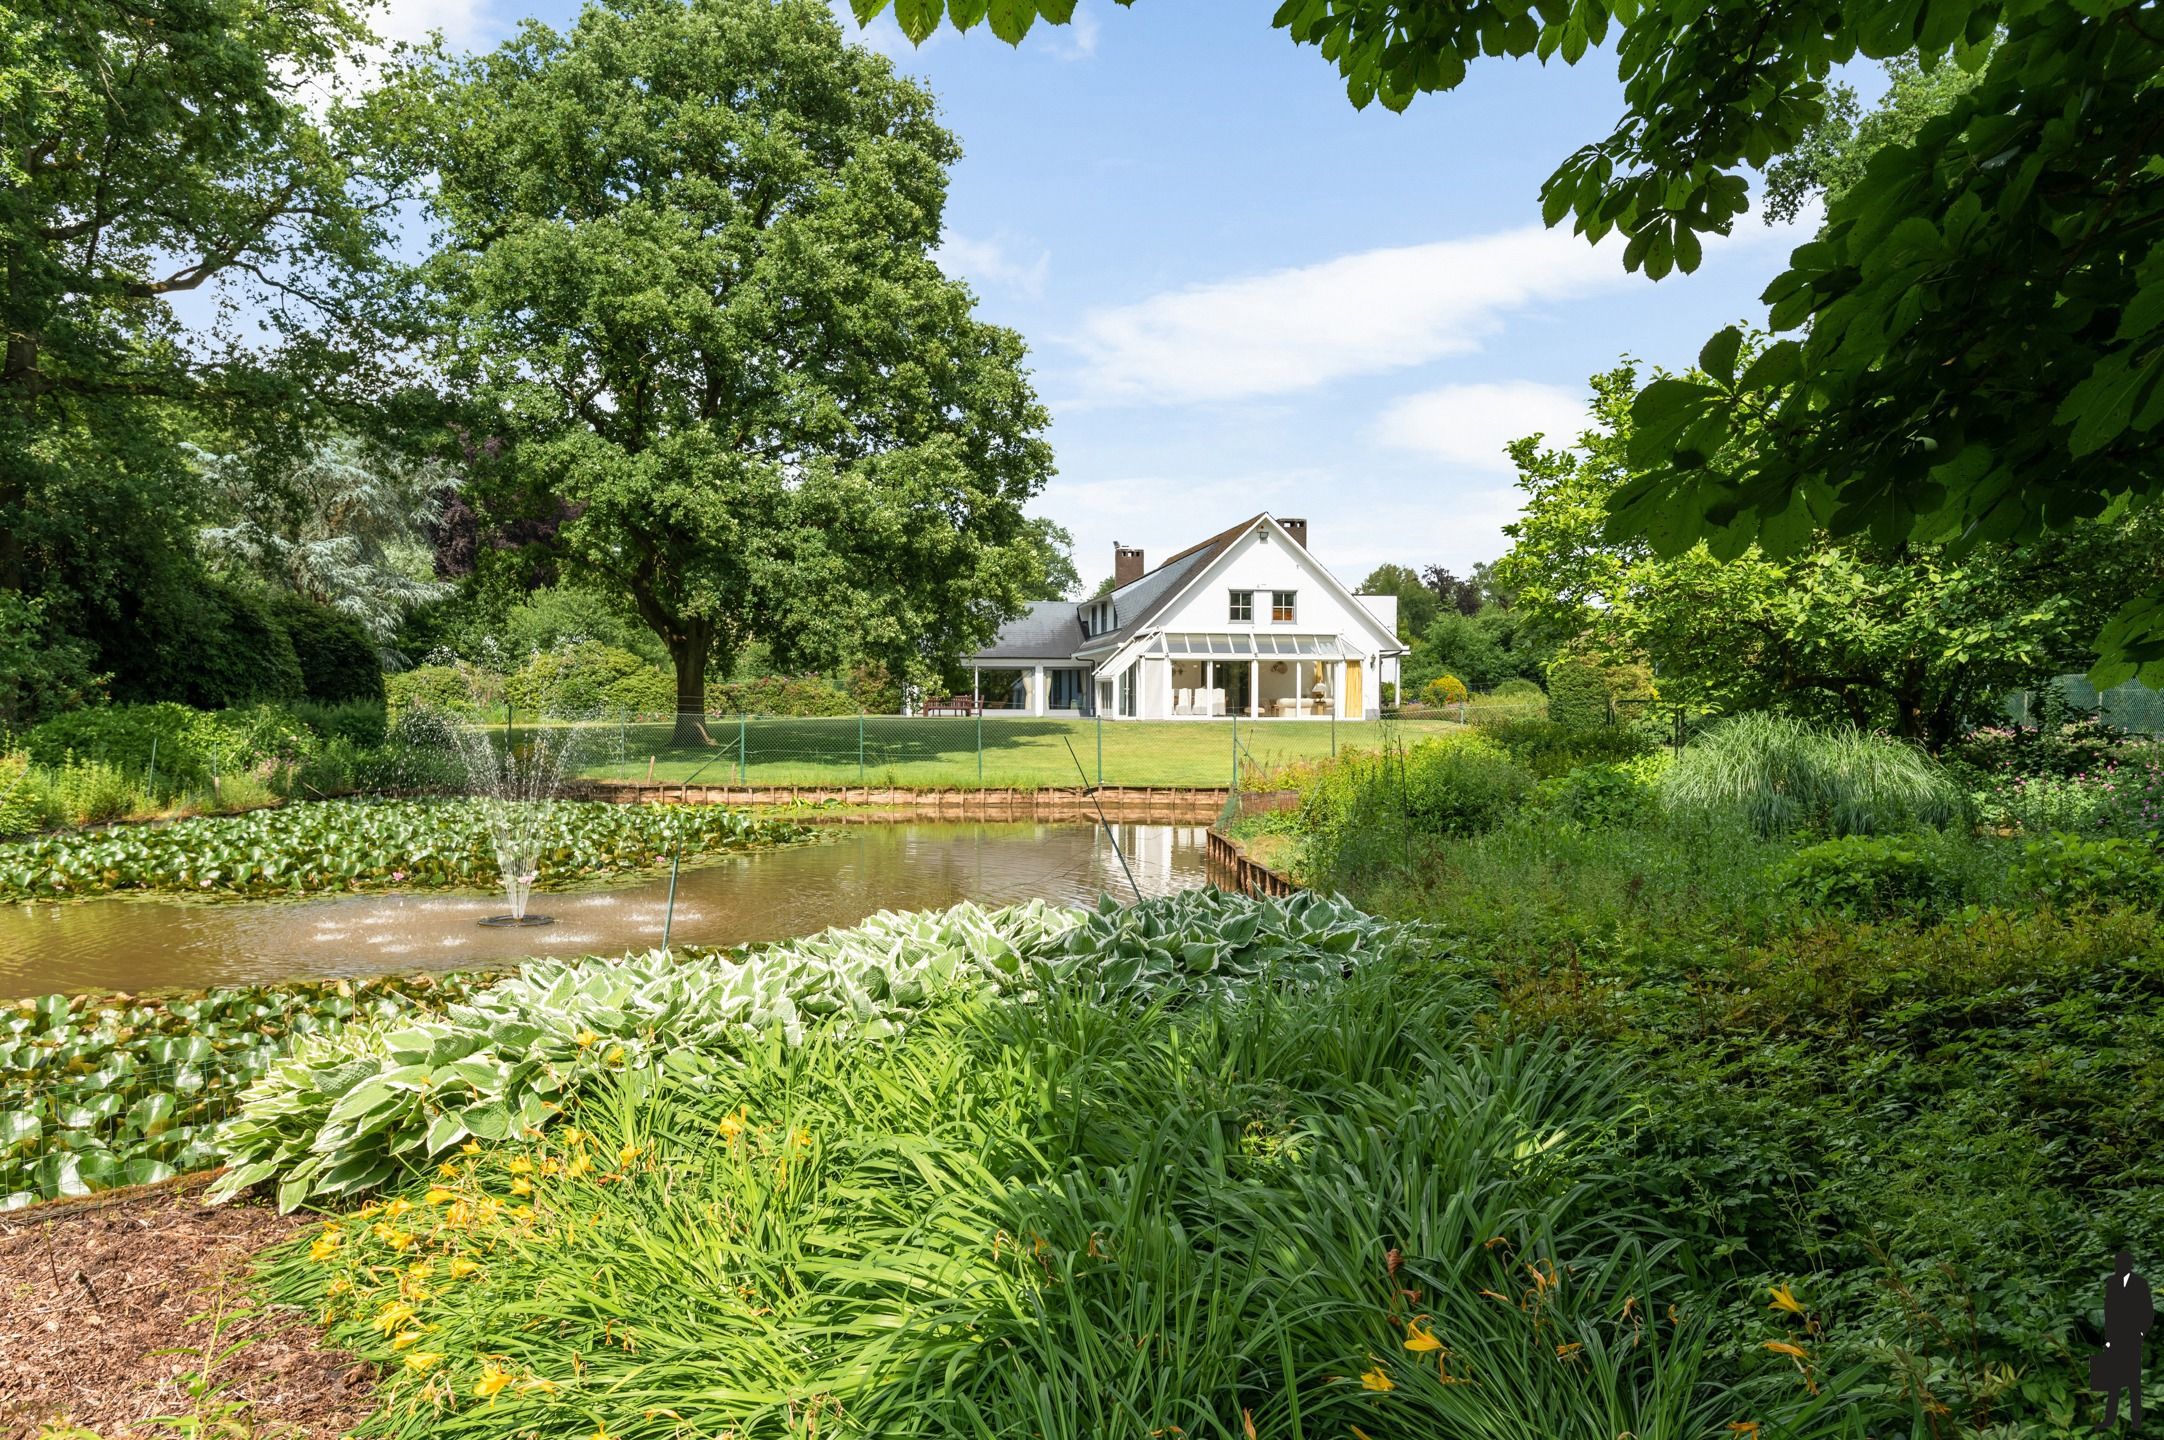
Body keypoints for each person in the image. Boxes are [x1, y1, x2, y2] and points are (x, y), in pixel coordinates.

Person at [2097, 1250, 2153, 1431]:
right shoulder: (2111, 1283)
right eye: (2117, 1263)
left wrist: (2141, 1333)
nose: (2118, 1266)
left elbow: (2148, 1311)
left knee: (2134, 1382)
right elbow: (2108, 1312)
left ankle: (2136, 1422)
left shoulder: (2140, 1283)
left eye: (2122, 1263)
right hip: (2115, 1339)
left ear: (2129, 1264)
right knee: (2113, 1382)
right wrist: (2108, 1339)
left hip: (2133, 1339)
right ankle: (2109, 1419)